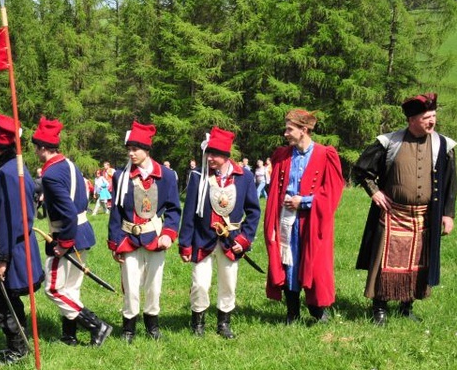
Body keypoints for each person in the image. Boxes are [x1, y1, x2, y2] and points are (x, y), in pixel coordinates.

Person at [354, 92, 457, 325]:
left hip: (424, 217)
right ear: (411, 120)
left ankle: (406, 306)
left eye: (433, 116)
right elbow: (362, 169)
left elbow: (451, 182)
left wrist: (448, 214)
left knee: (417, 263)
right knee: (383, 262)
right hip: (392, 214)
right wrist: (375, 192)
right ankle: (379, 307)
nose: (431, 121)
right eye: (426, 117)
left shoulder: (443, 145)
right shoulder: (389, 142)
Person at [32, 117, 113, 346]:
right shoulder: (68, 164)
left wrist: (64, 242)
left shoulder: (50, 175)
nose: (35, 153)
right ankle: (69, 336)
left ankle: (97, 325)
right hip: (82, 230)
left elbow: (66, 212)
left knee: (53, 289)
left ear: (43, 148)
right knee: (71, 289)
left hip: (66, 234)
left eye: (37, 148)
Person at [179, 127, 260, 338]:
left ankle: (223, 324)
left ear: (226, 156)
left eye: (214, 154)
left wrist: (244, 239)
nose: (210, 158)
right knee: (199, 284)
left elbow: (253, 212)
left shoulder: (245, 177)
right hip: (202, 239)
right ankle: (197, 322)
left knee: (228, 283)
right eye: (208, 153)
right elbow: (189, 214)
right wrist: (185, 243)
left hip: (230, 240)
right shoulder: (199, 177)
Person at [264, 109, 343, 323]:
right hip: (287, 220)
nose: (285, 133)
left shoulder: (325, 155)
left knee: (314, 263)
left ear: (303, 130)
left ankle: (318, 311)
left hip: (313, 220)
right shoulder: (282, 155)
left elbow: (333, 190)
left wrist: (305, 201)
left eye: (290, 129)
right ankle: (292, 312)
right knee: (288, 261)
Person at [108, 120, 181, 342]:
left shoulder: (166, 175)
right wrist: (115, 243)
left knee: (154, 284)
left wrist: (168, 234)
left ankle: (152, 324)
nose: (131, 154)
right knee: (130, 284)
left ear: (147, 150)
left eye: (135, 149)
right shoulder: (120, 176)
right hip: (129, 239)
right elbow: (116, 212)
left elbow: (174, 209)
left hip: (155, 237)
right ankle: (129, 327)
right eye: (128, 149)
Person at [0, 114, 44, 363]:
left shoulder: (10, 174)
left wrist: (2, 259)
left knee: (4, 302)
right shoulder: (11, 170)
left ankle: (18, 350)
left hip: (13, 249)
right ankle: (18, 345)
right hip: (13, 246)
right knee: (6, 300)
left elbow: (13, 221)